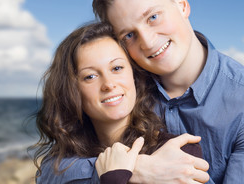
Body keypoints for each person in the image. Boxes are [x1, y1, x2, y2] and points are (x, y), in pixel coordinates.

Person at [39, 0, 244, 183]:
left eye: (153, 17)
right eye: (129, 34)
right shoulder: (123, 85)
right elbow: (52, 169)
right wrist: (134, 171)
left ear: (181, 5)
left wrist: (126, 171)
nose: (147, 41)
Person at [33, 22, 204, 184]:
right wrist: (132, 171)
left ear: (134, 76)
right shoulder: (58, 164)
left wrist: (116, 176)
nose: (108, 84)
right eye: (90, 76)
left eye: (116, 68)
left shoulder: (179, 153)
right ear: (72, 91)